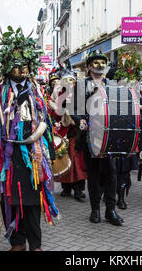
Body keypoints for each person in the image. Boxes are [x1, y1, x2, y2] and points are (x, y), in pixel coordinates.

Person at [0, 29, 58, 251]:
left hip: (33, 155)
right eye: (17, 63)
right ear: (8, 64)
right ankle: (17, 243)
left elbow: (45, 121)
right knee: (12, 200)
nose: (23, 68)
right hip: (7, 157)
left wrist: (51, 148)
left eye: (26, 62)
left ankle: (36, 245)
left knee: (32, 202)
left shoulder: (37, 90)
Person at [76, 50, 124, 226]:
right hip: (91, 136)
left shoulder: (111, 84)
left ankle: (110, 210)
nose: (100, 66)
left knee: (111, 173)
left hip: (109, 136)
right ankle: (95, 209)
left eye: (103, 63)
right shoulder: (81, 85)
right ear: (89, 66)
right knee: (94, 173)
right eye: (96, 63)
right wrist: (80, 119)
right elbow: (75, 108)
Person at [49, 68, 87, 202]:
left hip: (76, 133)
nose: (71, 84)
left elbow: (82, 111)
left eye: (73, 81)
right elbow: (55, 112)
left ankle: (78, 189)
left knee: (77, 161)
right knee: (65, 159)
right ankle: (66, 187)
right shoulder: (58, 95)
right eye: (68, 81)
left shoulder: (79, 95)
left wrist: (80, 119)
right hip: (64, 132)